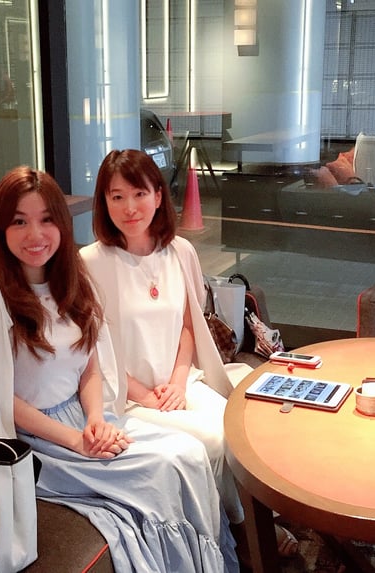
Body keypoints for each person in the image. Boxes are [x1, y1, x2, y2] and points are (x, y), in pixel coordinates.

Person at [0, 165, 239, 573]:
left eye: (46, 220)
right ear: (0, 228)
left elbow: (90, 367)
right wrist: (76, 440)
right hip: (37, 443)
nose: (35, 235)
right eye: (19, 222)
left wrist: (95, 420)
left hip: (86, 418)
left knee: (190, 453)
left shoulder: (72, 280)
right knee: (159, 473)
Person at [80, 149, 299, 559]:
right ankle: (243, 531)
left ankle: (256, 518)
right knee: (213, 441)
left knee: (240, 428)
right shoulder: (90, 263)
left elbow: (189, 325)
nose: (130, 208)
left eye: (139, 194)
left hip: (180, 382)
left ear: (158, 196)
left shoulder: (180, 251)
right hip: (126, 397)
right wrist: (145, 394)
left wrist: (179, 381)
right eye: (117, 197)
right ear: (103, 202)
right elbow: (92, 350)